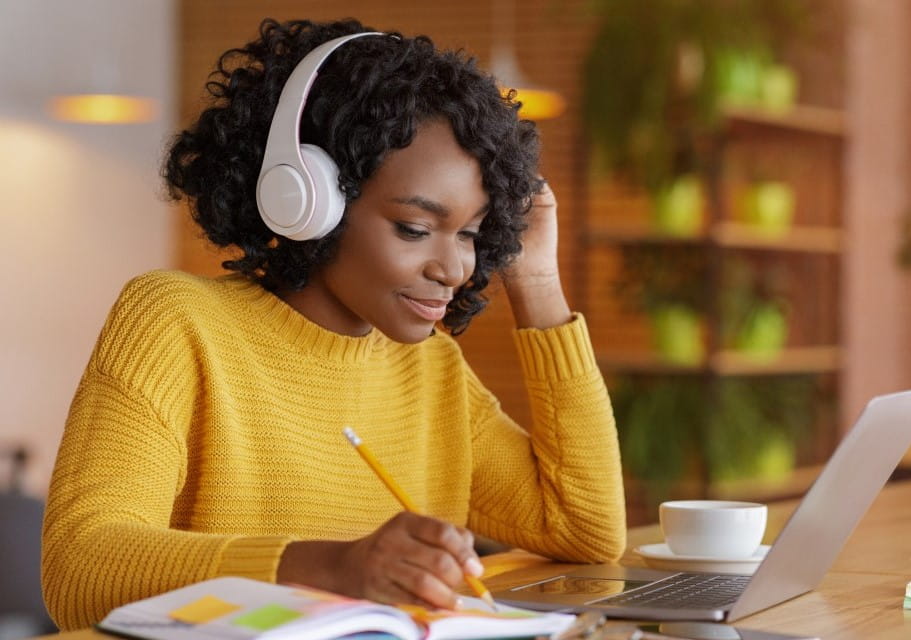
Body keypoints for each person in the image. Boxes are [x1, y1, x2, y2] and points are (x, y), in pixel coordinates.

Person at [41, 17, 626, 630]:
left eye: (474, 235)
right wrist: (329, 568)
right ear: (308, 199)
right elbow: (80, 568)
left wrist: (535, 280)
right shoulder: (175, 323)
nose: (453, 267)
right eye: (415, 229)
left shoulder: (431, 368)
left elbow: (586, 530)